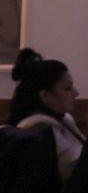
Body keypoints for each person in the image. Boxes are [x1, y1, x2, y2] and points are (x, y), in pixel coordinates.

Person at [7, 47, 85, 182]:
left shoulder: (62, 119)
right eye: (67, 88)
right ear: (45, 96)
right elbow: (77, 173)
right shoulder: (39, 130)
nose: (76, 93)